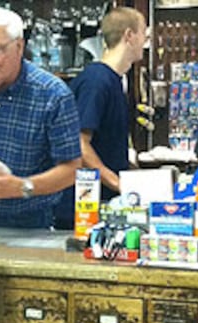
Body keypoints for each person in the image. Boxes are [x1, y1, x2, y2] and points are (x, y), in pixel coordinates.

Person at [0, 7, 82, 229]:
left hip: (29, 224)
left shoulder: (53, 95)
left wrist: (23, 186)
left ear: (19, 47)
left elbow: (72, 169)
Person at [53, 6, 148, 230]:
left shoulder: (112, 81)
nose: (145, 41)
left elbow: (106, 145)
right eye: (144, 33)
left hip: (101, 204)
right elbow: (79, 143)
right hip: (83, 210)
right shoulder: (97, 81)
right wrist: (116, 182)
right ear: (129, 35)